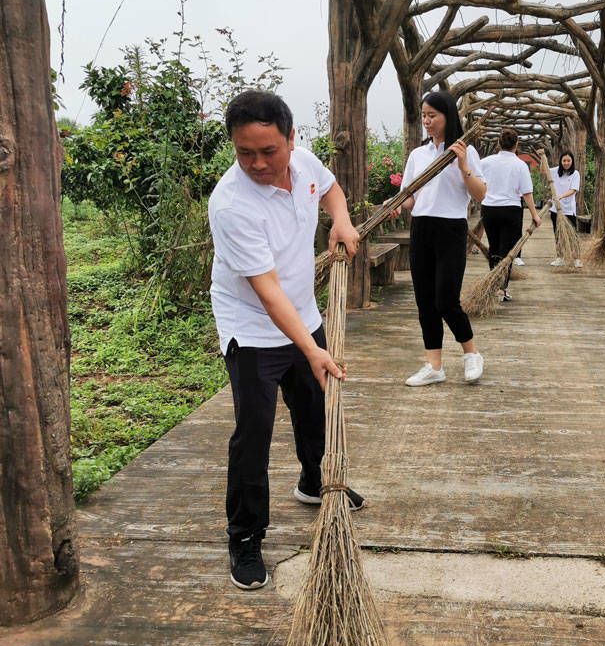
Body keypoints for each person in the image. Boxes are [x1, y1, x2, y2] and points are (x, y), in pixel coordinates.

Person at [208, 90, 365, 591]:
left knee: (314, 407)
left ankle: (314, 480)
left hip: (302, 312)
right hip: (253, 328)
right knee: (253, 434)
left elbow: (331, 189)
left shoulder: (305, 160)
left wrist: (340, 219)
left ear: (291, 139)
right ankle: (246, 536)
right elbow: (268, 294)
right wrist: (313, 348)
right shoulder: (232, 205)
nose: (257, 163)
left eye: (268, 151)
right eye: (244, 152)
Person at [388, 91, 487, 387]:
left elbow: (480, 194)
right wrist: (394, 206)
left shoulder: (465, 151)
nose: (427, 122)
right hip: (422, 229)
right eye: (424, 116)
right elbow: (409, 197)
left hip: (451, 229)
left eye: (433, 116)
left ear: (448, 116)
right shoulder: (419, 154)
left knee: (445, 299)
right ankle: (434, 366)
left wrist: (462, 165)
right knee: (425, 302)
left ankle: (471, 353)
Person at [480, 129, 542, 302]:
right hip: (510, 210)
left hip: (489, 209)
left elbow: (474, 180)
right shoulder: (520, 165)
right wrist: (535, 215)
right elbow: (527, 193)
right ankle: (501, 288)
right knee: (506, 251)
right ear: (516, 145)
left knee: (493, 247)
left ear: (498, 144)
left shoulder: (486, 162)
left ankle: (493, 284)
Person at [548, 150, 582, 268]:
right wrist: (541, 157)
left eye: (568, 160)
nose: (566, 163)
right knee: (558, 233)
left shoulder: (575, 174)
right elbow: (544, 171)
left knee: (572, 234)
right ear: (561, 161)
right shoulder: (555, 171)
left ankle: (576, 258)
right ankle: (560, 257)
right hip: (555, 209)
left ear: (572, 161)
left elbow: (573, 190)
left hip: (568, 209)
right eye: (564, 161)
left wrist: (561, 196)